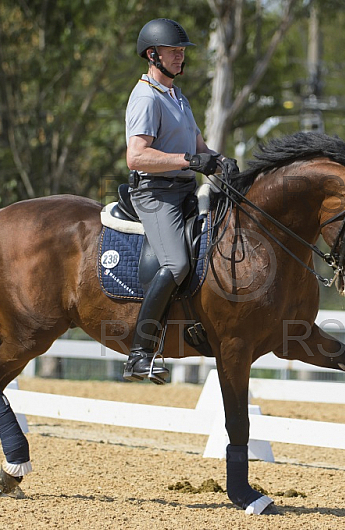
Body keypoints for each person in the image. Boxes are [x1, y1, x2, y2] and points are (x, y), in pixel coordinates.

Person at [124, 18, 238, 384]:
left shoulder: (177, 96)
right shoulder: (145, 96)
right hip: (156, 195)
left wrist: (218, 160)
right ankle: (140, 354)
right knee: (176, 264)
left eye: (182, 51)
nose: (180, 56)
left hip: (185, 191)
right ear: (152, 54)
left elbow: (198, 147)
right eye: (174, 51)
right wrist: (190, 162)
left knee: (218, 248)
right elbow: (137, 156)